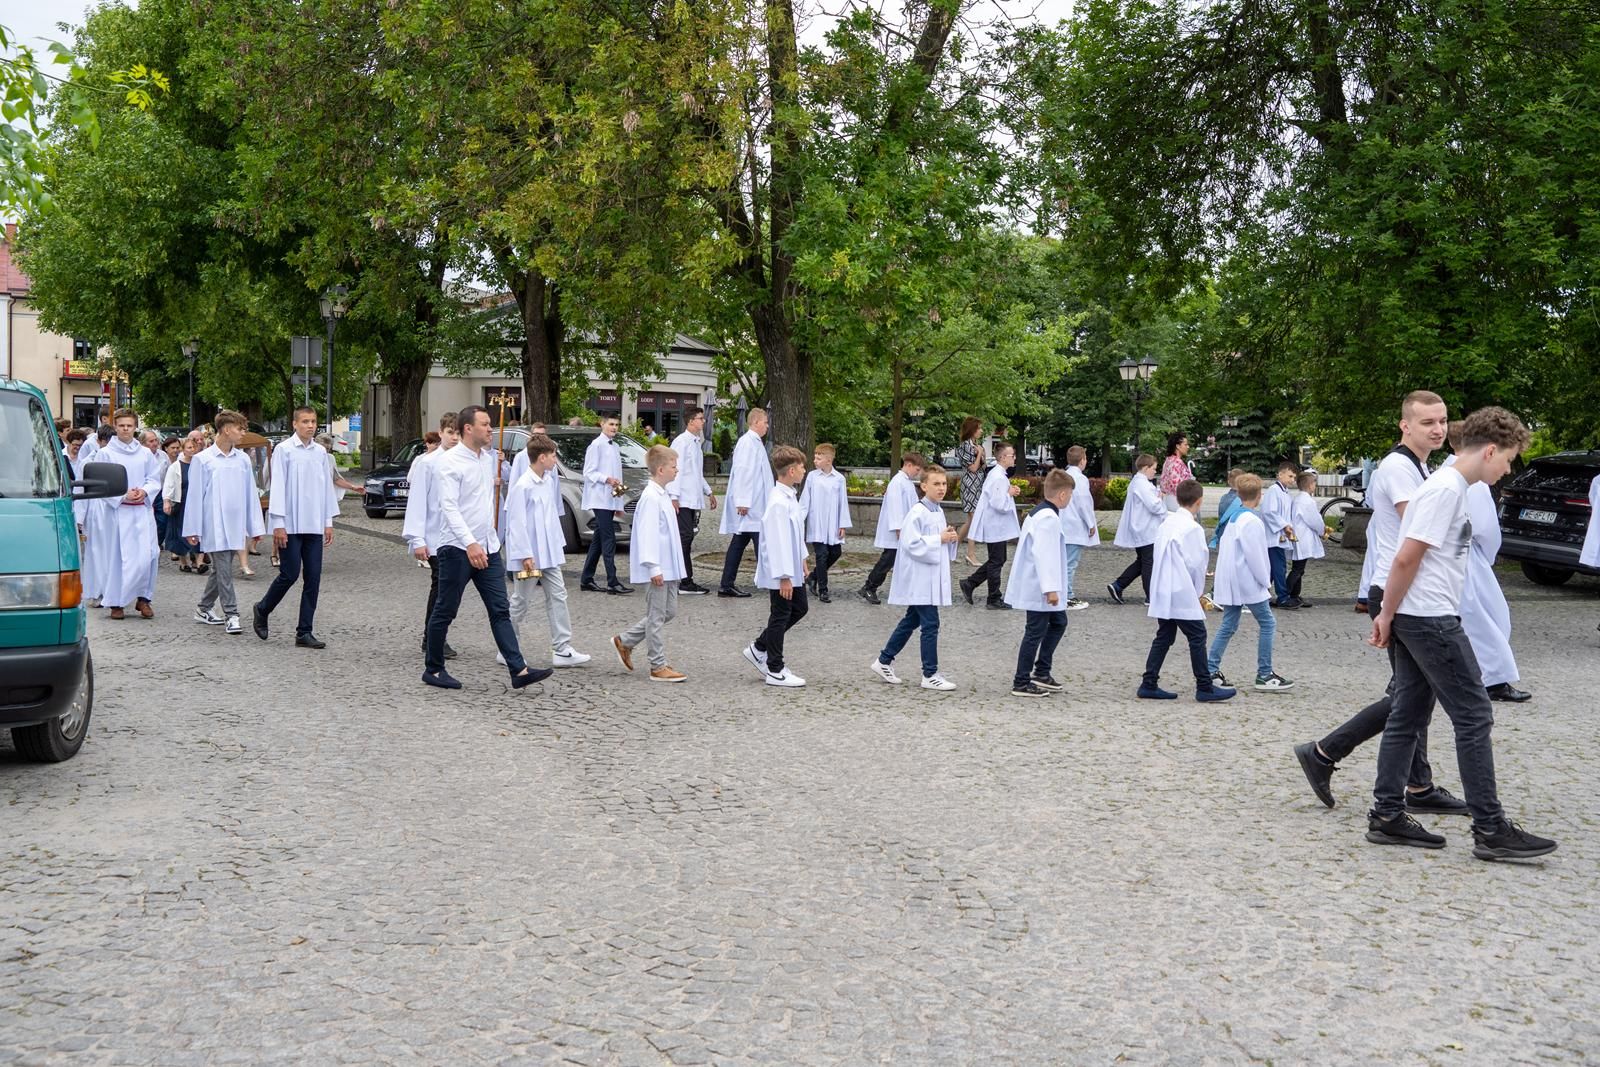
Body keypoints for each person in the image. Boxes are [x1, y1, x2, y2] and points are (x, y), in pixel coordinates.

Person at [1365, 406, 1555, 860]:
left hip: (1421, 614)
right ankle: (1490, 828)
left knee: (1408, 713)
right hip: (1429, 618)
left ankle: (1387, 815)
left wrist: (1393, 614)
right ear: (1489, 450)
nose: (1507, 470)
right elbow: (1406, 558)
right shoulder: (1446, 490)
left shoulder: (1450, 487)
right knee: (1474, 715)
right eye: (1507, 459)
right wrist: (1386, 613)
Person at [1293, 390, 1463, 813]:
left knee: (1414, 693)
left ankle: (1417, 786)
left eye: (1442, 421)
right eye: (1427, 422)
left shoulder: (1419, 466)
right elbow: (1420, 526)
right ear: (1405, 425)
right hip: (1396, 589)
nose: (1438, 429)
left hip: (1402, 589)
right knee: (1411, 695)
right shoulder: (1399, 467)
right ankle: (1326, 752)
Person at [423, 406, 552, 690]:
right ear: (468, 428)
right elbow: (449, 507)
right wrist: (469, 543)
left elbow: (483, 503)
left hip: (488, 547)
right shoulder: (449, 462)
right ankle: (433, 669)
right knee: (446, 609)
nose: (490, 429)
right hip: (457, 548)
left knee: (500, 609)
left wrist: (488, 540)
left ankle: (518, 670)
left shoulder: (487, 459)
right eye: (485, 424)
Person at [1440, 424, 1527, 702]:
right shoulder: (1473, 480)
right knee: (1488, 617)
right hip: (1467, 554)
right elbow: (1485, 527)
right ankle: (1493, 679)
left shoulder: (1442, 471)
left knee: (1475, 616)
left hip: (1451, 554)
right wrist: (1488, 555)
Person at [1138, 479, 1236, 702]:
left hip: (1163, 587)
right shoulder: (1192, 528)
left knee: (1165, 635)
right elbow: (1196, 565)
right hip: (1181, 589)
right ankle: (1204, 686)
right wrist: (1198, 592)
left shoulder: (1167, 522)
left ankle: (1149, 682)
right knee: (1197, 635)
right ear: (1199, 502)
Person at [251, 407, 338, 648]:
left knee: (313, 577)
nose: (310, 426)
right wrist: (278, 523)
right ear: (295, 424)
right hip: (290, 523)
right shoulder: (284, 450)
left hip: (314, 523)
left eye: (313, 422)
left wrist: (328, 522)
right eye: (305, 421)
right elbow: (278, 486)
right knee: (289, 574)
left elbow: (326, 488)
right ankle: (263, 608)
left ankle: (304, 631)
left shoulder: (320, 452)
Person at [503, 434, 591, 669]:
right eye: (553, 455)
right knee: (521, 601)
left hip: (548, 554)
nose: (555, 460)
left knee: (558, 595)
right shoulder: (523, 486)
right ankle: (507, 647)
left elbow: (550, 518)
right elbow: (516, 523)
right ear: (542, 457)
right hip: (530, 557)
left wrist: (556, 545)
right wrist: (525, 554)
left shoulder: (548, 481)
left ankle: (562, 648)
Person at [868, 466, 959, 691]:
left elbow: (935, 540)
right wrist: (939, 539)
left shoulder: (937, 511)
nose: (941, 488)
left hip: (928, 576)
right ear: (924, 486)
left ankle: (884, 660)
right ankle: (930, 673)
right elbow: (911, 543)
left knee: (912, 620)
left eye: (944, 484)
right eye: (936, 484)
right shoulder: (917, 512)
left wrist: (949, 538)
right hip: (919, 578)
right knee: (930, 624)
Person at [1206, 474, 1293, 693]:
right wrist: (1265, 581)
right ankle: (1265, 673)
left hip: (1231, 579)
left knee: (1229, 624)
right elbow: (1256, 556)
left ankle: (1210, 669)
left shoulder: (1234, 517)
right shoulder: (1253, 522)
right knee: (1268, 623)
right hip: (1247, 580)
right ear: (1259, 495)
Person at [182, 411, 264, 635]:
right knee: (224, 569)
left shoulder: (243, 459)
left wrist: (254, 526)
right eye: (240, 428)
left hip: (235, 522)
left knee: (220, 569)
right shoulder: (203, 459)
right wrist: (193, 527)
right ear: (227, 429)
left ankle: (203, 608)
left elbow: (250, 494)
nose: (243, 433)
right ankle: (232, 614)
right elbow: (195, 495)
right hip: (214, 523)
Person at [613, 444, 689, 682]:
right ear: (661, 470)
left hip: (669, 565)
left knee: (669, 611)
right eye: (673, 466)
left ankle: (625, 640)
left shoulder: (662, 494)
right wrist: (653, 567)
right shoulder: (650, 497)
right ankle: (657, 665)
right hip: (659, 566)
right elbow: (647, 535)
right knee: (656, 615)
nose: (677, 470)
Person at [1005, 468, 1075, 698]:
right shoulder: (1048, 518)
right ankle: (1021, 681)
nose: (1070, 499)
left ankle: (1042, 672)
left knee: (1058, 622)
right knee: (1034, 631)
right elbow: (1044, 554)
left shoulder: (1042, 512)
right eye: (1070, 495)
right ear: (1062, 495)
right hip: (1039, 586)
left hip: (1041, 584)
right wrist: (1050, 589)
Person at [745, 446, 811, 687]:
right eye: (802, 467)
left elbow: (795, 534)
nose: (804, 471)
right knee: (780, 614)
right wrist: (783, 576)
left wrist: (802, 559)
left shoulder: (789, 496)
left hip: (792, 567)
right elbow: (776, 542)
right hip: (781, 571)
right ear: (791, 471)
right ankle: (775, 668)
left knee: (800, 608)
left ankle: (759, 647)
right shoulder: (777, 502)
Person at [96, 409, 164, 620]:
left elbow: (154, 478)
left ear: (135, 427)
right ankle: (116, 602)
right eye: (122, 425)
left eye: (129, 425)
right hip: (118, 513)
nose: (125, 429)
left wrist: (144, 491)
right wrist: (122, 495)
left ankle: (144, 598)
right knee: (119, 558)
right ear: (115, 427)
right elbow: (101, 483)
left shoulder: (145, 453)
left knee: (149, 555)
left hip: (142, 510)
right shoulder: (106, 453)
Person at [404, 414, 460, 661]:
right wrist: (417, 539)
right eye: (450, 433)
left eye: (458, 433)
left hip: (458, 537)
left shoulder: (464, 461)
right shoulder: (427, 463)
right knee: (441, 587)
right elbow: (417, 502)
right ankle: (432, 637)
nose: (454, 438)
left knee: (451, 589)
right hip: (435, 536)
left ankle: (435, 635)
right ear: (441, 433)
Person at [959, 441, 1022, 609]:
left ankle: (970, 583)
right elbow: (998, 503)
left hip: (996, 525)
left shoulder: (998, 475)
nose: (1014, 458)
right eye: (1012, 455)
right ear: (1003, 457)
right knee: (996, 561)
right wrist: (1009, 493)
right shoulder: (998, 477)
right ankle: (993, 598)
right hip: (995, 525)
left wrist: (1009, 491)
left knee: (998, 559)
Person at [718, 406, 770, 597]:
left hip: (756, 504)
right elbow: (743, 472)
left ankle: (727, 583)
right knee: (760, 543)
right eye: (765, 422)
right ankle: (770, 580)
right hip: (751, 505)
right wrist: (743, 501)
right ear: (755, 422)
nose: (767, 426)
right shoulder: (747, 443)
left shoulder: (755, 442)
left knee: (741, 543)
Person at [667, 406, 717, 595]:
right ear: (690, 421)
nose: (703, 421)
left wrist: (709, 491)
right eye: (700, 418)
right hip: (682, 499)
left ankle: (683, 578)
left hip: (691, 498)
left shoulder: (696, 443)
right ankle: (684, 581)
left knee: (686, 538)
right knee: (684, 538)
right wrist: (673, 496)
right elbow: (675, 470)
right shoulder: (682, 442)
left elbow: (696, 472)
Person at [578, 415, 631, 595]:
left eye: (617, 424)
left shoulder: (614, 446)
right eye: (611, 424)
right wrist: (606, 479)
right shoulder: (596, 445)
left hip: (610, 499)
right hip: (599, 498)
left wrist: (619, 502)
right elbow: (588, 472)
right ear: (602, 424)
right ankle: (612, 582)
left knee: (598, 540)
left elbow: (618, 477)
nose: (614, 427)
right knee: (609, 539)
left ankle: (586, 579)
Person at [1107, 454, 1163, 605]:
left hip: (1142, 528)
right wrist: (1161, 499)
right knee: (1149, 563)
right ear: (1145, 468)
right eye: (1153, 468)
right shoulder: (1142, 484)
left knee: (1142, 561)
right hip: (1147, 529)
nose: (1155, 472)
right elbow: (1154, 506)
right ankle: (1151, 596)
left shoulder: (1138, 482)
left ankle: (1118, 585)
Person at [799, 443, 850, 603]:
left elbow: (843, 502)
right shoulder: (812, 477)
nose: (815, 460)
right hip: (817, 523)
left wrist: (842, 524)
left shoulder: (839, 479)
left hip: (833, 523)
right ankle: (823, 590)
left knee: (835, 553)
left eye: (818, 458)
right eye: (815, 457)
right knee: (822, 555)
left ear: (829, 460)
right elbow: (805, 499)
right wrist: (799, 518)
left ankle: (813, 577)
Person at [1059, 445, 1098, 610]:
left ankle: (1062, 593)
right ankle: (1067, 596)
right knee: (1070, 563)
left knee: (1063, 562)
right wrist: (1091, 523)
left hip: (1063, 524)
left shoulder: (1063, 476)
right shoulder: (1080, 479)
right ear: (1082, 460)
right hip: (1074, 526)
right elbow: (1083, 503)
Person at [1261, 461, 1299, 607]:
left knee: (1272, 568)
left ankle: (1262, 595)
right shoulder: (1273, 490)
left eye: (1294, 477)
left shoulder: (1285, 492)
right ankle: (1282, 597)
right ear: (1280, 474)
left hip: (1280, 535)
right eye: (1290, 476)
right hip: (1274, 536)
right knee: (1279, 567)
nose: (1292, 480)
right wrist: (1284, 526)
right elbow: (1269, 512)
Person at [1285, 470, 1326, 607]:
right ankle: (1285, 594)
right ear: (1310, 485)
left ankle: (1295, 595)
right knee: (1298, 569)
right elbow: (1314, 520)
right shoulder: (1307, 502)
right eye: (1314, 483)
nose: (1315, 486)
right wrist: (1322, 530)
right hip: (1303, 537)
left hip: (1299, 536)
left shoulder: (1298, 499)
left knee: (1299, 568)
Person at [162, 435, 202, 571]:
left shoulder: (201, 465)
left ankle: (199, 562)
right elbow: (169, 484)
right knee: (179, 532)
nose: (192, 450)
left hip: (196, 503)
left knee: (198, 530)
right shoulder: (175, 467)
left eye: (194, 447)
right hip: (181, 502)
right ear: (183, 450)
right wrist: (166, 500)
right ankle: (183, 562)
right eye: (189, 447)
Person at [952, 417, 987, 566]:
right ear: (972, 429)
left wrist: (982, 454)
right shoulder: (964, 446)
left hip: (978, 485)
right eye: (979, 428)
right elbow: (972, 468)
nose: (981, 431)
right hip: (970, 486)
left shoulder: (977, 445)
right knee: (974, 520)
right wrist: (979, 454)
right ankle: (970, 554)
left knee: (970, 521)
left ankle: (952, 551)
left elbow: (983, 467)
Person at [1157, 431, 1194, 511]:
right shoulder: (1177, 463)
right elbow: (1177, 486)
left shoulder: (1168, 460)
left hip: (1168, 501)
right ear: (1177, 446)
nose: (1188, 447)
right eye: (1185, 444)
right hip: (1177, 503)